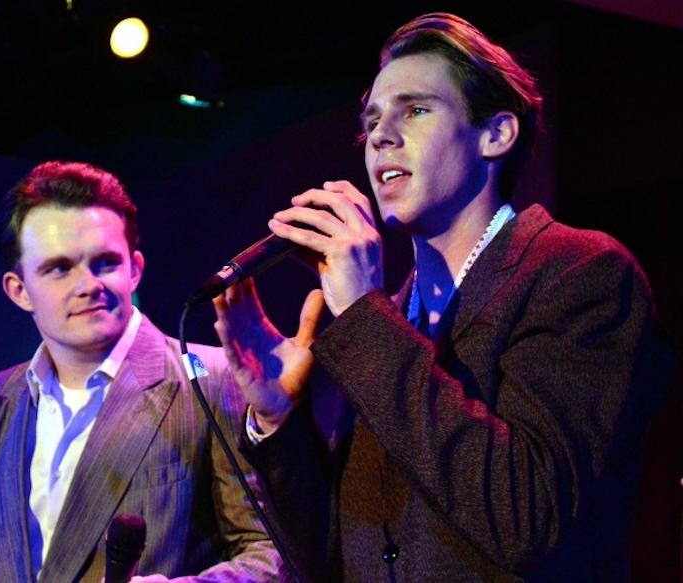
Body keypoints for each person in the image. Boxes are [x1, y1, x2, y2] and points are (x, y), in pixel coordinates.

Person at [211, 12, 676, 582]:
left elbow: (528, 520)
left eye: (415, 110)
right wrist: (279, 420)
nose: (380, 136)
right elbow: (339, 562)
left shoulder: (578, 274)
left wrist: (364, 319)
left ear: (495, 134)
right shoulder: (390, 317)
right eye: (372, 120)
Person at [0, 161, 285, 582]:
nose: (89, 285)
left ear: (134, 269)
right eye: (59, 268)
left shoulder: (212, 378)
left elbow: (271, 552)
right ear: (19, 290)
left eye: (105, 262)